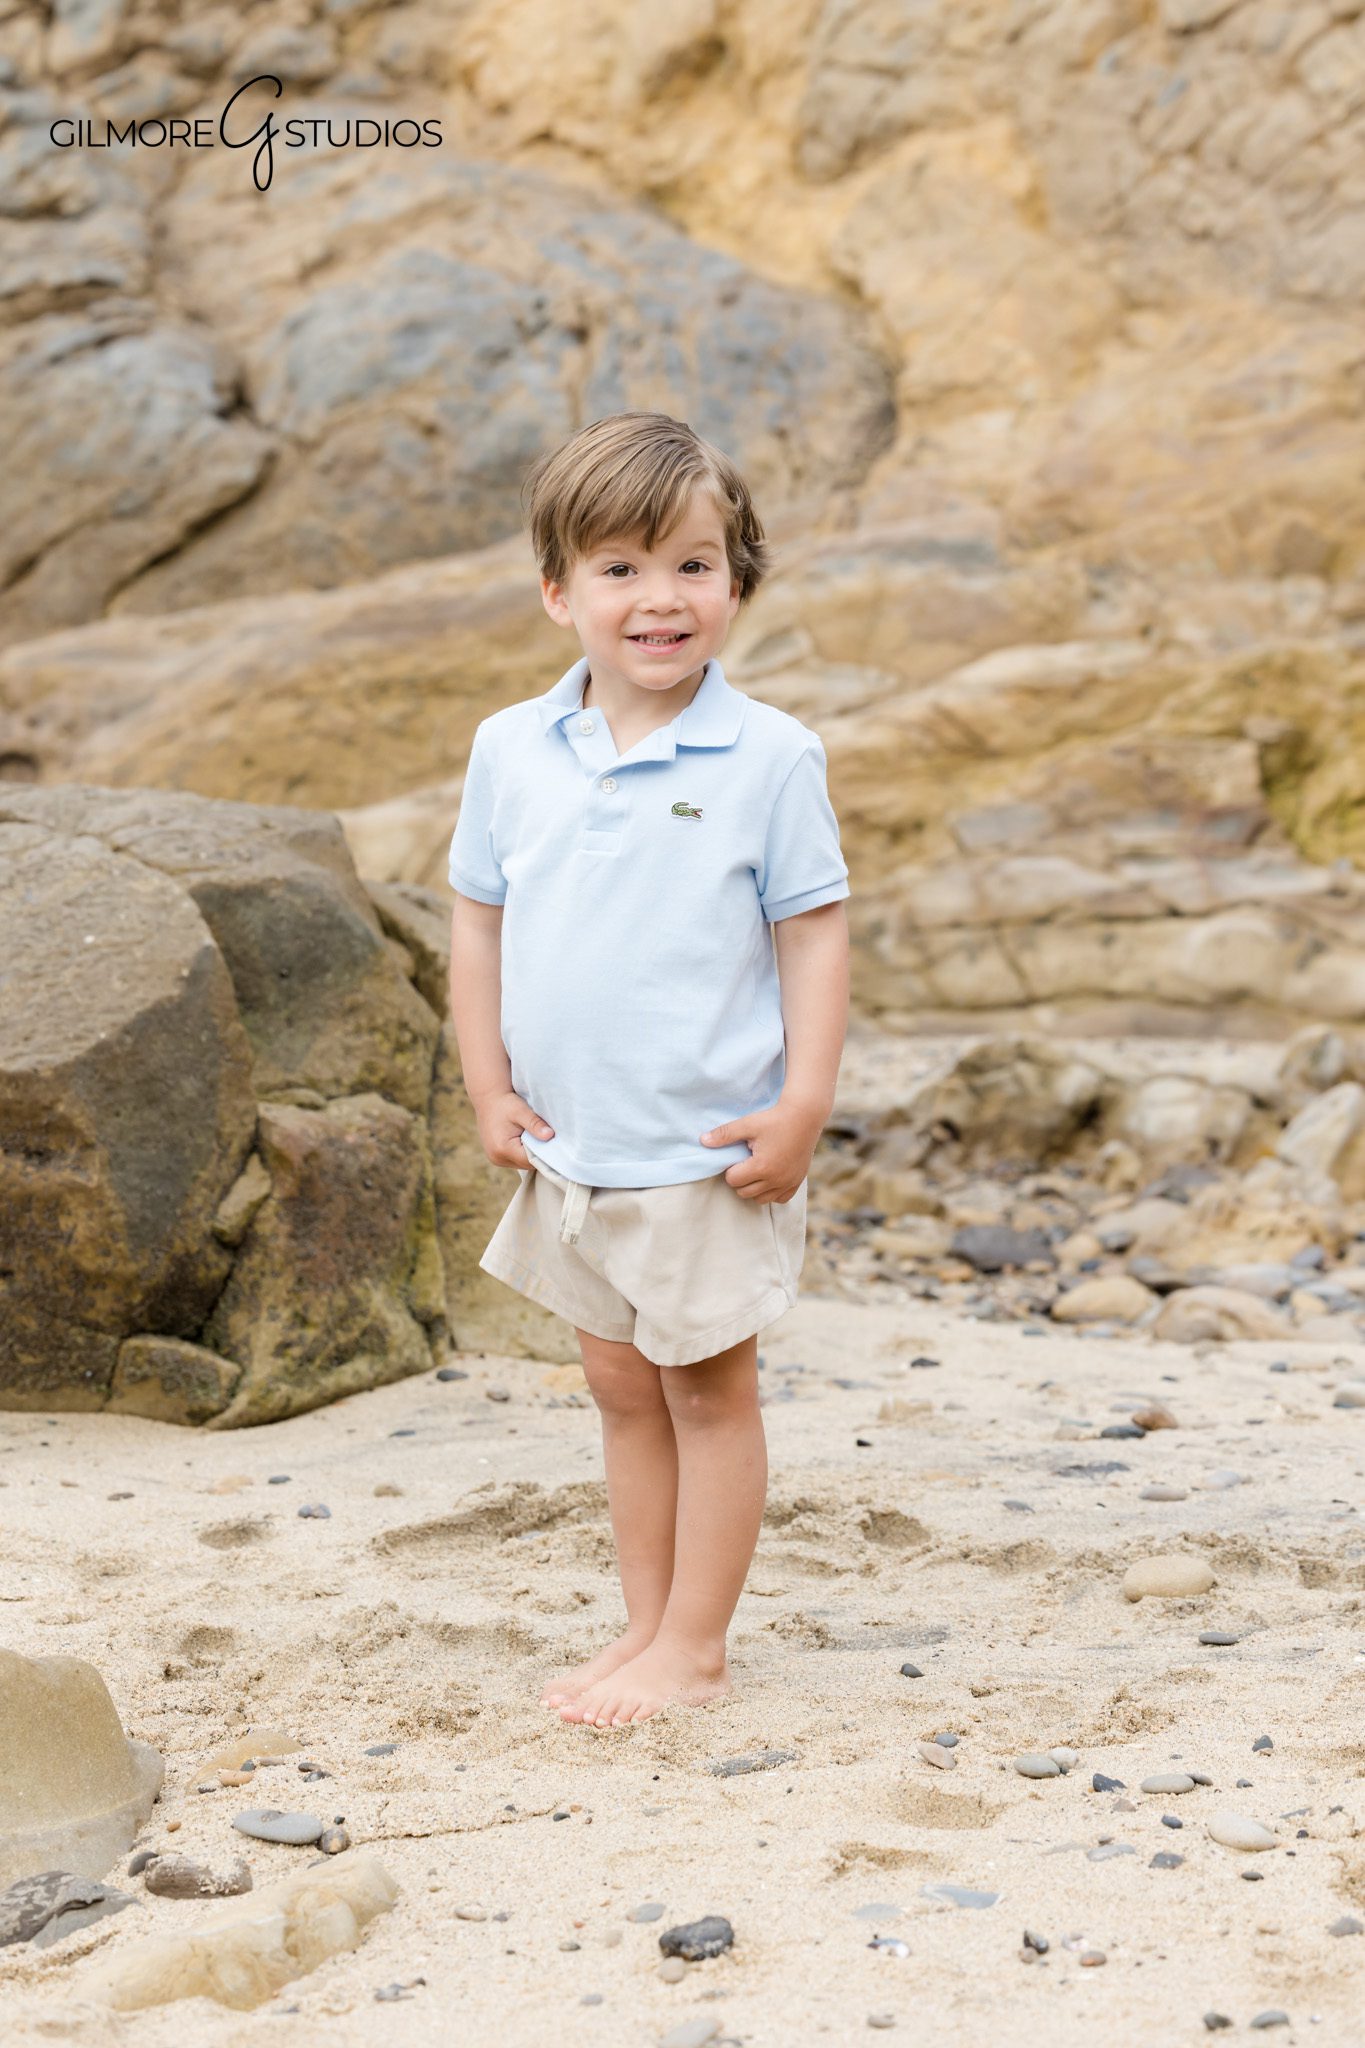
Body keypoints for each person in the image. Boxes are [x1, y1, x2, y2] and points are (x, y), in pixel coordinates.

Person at [446, 410, 850, 1728]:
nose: (659, 598)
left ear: (736, 581)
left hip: (703, 1148)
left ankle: (698, 1648)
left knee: (706, 1394)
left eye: (692, 565)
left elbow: (813, 934)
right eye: (619, 569)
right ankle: (646, 1623)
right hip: (573, 1145)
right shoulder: (511, 748)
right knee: (622, 1393)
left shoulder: (770, 756)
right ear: (558, 592)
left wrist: (802, 1104)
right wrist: (487, 1084)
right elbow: (478, 921)